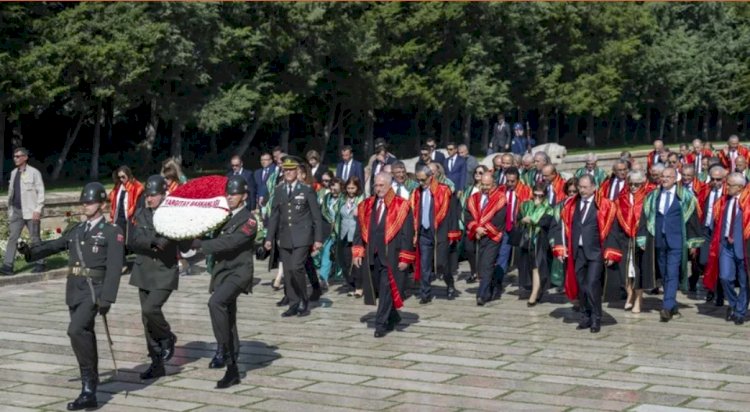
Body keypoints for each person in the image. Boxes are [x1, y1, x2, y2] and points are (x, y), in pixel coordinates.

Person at [18, 182, 124, 410]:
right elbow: (55, 245)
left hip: (93, 291)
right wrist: (30, 252)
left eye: (91, 201)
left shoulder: (111, 232)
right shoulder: (76, 230)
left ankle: (88, 388)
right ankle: (91, 386)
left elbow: (115, 267)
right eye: (84, 201)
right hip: (74, 290)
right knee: (84, 335)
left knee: (75, 330)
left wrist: (108, 298)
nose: (86, 205)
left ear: (102, 204)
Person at [189, 175, 257, 388]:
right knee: (229, 316)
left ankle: (225, 354)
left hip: (239, 273)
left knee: (216, 303)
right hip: (221, 272)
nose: (230, 197)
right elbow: (210, 235)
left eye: (234, 194)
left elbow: (231, 242)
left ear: (244, 196)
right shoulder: (222, 216)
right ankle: (232, 366)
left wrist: (201, 246)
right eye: (228, 193)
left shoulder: (249, 220)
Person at [552, 175, 620, 333]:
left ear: (593, 187)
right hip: (578, 251)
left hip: (595, 252)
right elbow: (561, 227)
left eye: (584, 187)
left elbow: (612, 230)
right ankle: (585, 316)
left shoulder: (604, 206)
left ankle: (596, 317)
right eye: (580, 187)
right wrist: (561, 248)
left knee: (591, 285)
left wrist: (610, 252)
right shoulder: (571, 205)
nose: (581, 190)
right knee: (581, 287)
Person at [126, 175, 179, 380]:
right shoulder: (141, 213)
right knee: (146, 319)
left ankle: (167, 337)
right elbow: (134, 241)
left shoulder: (173, 215)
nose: (149, 199)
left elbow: (170, 240)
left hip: (165, 271)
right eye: (147, 195)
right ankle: (156, 362)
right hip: (143, 271)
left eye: (153, 195)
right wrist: (153, 242)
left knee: (151, 309)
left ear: (164, 195)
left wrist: (154, 242)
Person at [353, 173, 416, 338]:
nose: (378, 189)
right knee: (378, 290)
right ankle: (393, 315)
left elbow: (407, 234)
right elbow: (359, 230)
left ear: (390, 186)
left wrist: (405, 257)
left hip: (391, 256)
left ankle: (380, 325)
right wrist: (358, 251)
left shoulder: (401, 206)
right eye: (376, 185)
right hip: (372, 256)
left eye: (382, 185)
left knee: (387, 288)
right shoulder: (366, 205)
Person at [637, 167, 702, 323]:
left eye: (668, 177)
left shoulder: (685, 197)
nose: (664, 179)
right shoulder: (652, 196)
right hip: (659, 240)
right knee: (665, 272)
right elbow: (645, 219)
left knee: (672, 272)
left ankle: (666, 307)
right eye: (662, 176)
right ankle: (672, 304)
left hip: (677, 241)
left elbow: (692, 220)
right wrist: (642, 238)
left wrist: (693, 243)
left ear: (675, 179)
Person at [265, 156, 324, 317]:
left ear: (297, 171)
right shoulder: (279, 190)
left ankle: (303, 299)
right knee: (289, 271)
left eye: (291, 170)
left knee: (297, 267)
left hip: (303, 236)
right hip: (285, 236)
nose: (289, 172)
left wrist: (318, 239)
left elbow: (316, 216)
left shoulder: (306, 190)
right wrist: (269, 238)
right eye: (286, 170)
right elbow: (274, 215)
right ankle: (293, 303)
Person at [703, 172, 750, 325]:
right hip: (725, 246)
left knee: (744, 282)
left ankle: (740, 311)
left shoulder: (747, 203)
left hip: (743, 248)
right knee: (724, 277)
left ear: (740, 187)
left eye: (730, 185)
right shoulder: (723, 201)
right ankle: (735, 304)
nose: (726, 187)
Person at [411, 166, 461, 303]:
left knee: (442, 264)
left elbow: (452, 214)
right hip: (424, 232)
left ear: (430, 177)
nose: (421, 183)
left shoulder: (443, 190)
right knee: (424, 264)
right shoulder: (417, 192)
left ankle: (449, 284)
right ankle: (425, 294)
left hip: (440, 232)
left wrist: (452, 233)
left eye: (423, 179)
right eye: (418, 180)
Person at [465, 173, 508, 306]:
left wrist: (484, 229)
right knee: (480, 266)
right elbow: (467, 215)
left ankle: (482, 295)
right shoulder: (473, 198)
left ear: (493, 184)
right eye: (482, 184)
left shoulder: (500, 198)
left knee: (487, 265)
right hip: (476, 236)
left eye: (487, 185)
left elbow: (499, 219)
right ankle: (491, 288)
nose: (485, 187)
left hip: (492, 237)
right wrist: (475, 228)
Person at [611, 170, 649, 313]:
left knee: (638, 271)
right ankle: (629, 294)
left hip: (641, 240)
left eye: (636, 184)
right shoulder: (621, 198)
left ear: (642, 183)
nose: (633, 187)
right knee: (625, 271)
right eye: (631, 184)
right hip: (624, 239)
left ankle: (638, 300)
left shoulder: (648, 198)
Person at [3, 147, 45, 275]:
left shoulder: (34, 173)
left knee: (35, 238)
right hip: (16, 211)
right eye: (14, 156)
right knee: (12, 238)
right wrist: (10, 210)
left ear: (25, 157)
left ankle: (40, 263)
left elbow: (41, 192)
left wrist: (38, 209)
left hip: (31, 211)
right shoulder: (13, 173)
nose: (15, 158)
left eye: (18, 156)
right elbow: (11, 193)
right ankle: (7, 266)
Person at [516, 182, 555, 307]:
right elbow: (519, 217)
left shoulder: (549, 208)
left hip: (541, 240)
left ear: (545, 196)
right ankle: (536, 291)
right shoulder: (526, 205)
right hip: (528, 240)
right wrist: (524, 219)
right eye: (535, 195)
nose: (537, 198)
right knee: (531, 266)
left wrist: (532, 219)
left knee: (538, 266)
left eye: (541, 196)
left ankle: (534, 293)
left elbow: (545, 222)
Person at [698, 166, 727, 303]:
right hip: (706, 230)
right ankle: (710, 286)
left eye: (718, 179)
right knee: (704, 260)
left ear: (724, 179)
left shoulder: (728, 193)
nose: (715, 182)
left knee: (719, 262)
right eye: (713, 179)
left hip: (720, 232)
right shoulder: (706, 190)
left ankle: (718, 293)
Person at [337, 177, 366, 296]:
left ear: (358, 188)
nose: (350, 190)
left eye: (353, 188)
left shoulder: (362, 199)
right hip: (344, 234)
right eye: (348, 188)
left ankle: (359, 287)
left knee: (357, 261)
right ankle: (351, 284)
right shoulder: (342, 199)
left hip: (356, 234)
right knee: (345, 260)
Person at [460, 165, 488, 283]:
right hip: (470, 223)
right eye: (476, 172)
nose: (477, 174)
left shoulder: (487, 189)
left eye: (481, 173)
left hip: (483, 224)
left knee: (481, 250)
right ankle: (473, 271)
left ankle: (481, 273)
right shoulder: (469, 189)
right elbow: (463, 206)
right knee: (469, 249)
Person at [109, 166, 144, 241]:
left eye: (123, 177)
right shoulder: (118, 187)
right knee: (118, 240)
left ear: (128, 175)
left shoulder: (136, 187)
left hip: (130, 218)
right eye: (119, 177)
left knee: (129, 240)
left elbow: (140, 205)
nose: (121, 179)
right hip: (119, 218)